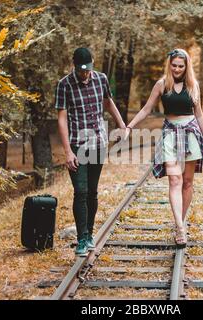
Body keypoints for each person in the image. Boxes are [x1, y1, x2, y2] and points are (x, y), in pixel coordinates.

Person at [124, 48, 203, 247]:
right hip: (170, 133)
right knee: (174, 179)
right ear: (169, 65)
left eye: (181, 66)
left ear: (186, 66)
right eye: (174, 65)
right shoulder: (162, 84)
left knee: (188, 182)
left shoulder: (193, 85)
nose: (177, 69)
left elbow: (199, 115)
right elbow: (147, 109)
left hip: (191, 133)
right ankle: (180, 228)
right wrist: (130, 126)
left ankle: (180, 220)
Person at [55, 47, 126, 256]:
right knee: (81, 191)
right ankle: (81, 238)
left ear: (92, 64)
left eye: (87, 70)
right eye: (81, 70)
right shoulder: (64, 85)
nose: (85, 74)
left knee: (92, 192)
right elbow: (62, 119)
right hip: (77, 145)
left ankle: (90, 233)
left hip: (98, 144)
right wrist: (68, 151)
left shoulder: (101, 79)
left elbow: (108, 102)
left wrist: (121, 124)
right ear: (74, 65)